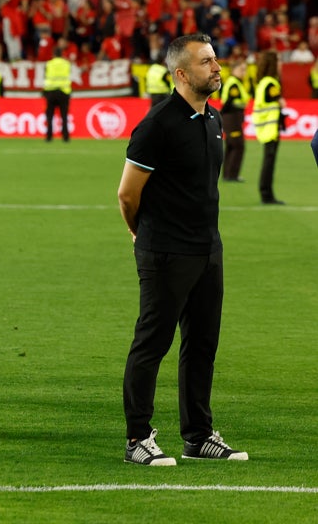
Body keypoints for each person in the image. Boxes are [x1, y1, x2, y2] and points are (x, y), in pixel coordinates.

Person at [118, 33, 248, 466]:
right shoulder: (157, 125)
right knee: (152, 344)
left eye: (215, 58)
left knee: (202, 344)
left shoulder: (212, 121)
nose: (216, 67)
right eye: (206, 61)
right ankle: (138, 438)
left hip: (208, 250)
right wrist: (146, 235)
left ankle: (198, 435)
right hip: (166, 252)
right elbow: (127, 195)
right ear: (181, 73)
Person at [252, 50, 284, 205]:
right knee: (269, 163)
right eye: (278, 61)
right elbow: (276, 101)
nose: (281, 64)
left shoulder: (262, 82)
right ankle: (267, 194)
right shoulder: (271, 83)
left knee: (268, 162)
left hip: (265, 128)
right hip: (270, 129)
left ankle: (266, 193)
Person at [219, 59, 249, 183]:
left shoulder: (234, 82)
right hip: (232, 118)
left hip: (231, 118)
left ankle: (227, 174)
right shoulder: (234, 84)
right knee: (238, 146)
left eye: (245, 70)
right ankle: (232, 175)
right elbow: (229, 103)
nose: (244, 72)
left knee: (231, 146)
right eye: (241, 69)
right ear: (234, 70)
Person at [43, 46, 72, 142]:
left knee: (50, 115)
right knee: (64, 115)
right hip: (64, 91)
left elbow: (46, 76)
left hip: (51, 91)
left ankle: (49, 136)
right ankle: (65, 136)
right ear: (62, 54)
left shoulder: (49, 64)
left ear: (54, 54)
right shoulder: (67, 64)